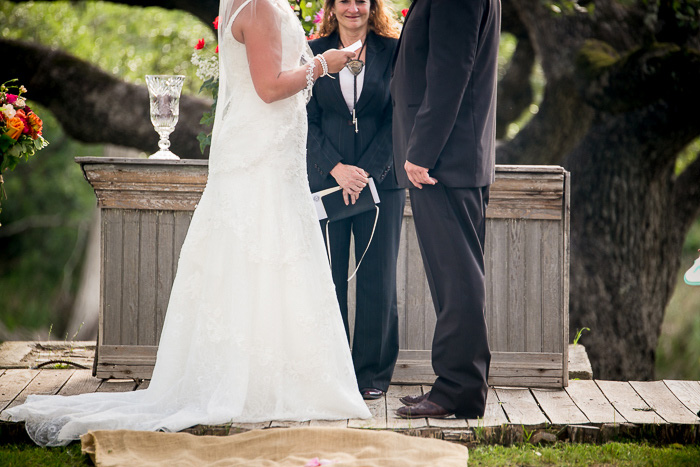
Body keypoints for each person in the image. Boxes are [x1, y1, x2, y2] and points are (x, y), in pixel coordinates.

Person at [1, 0, 371, 446]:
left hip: (265, 147)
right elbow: (270, 88)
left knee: (263, 252)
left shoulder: (248, 4)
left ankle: (264, 375)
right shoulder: (260, 8)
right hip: (263, 152)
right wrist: (322, 64)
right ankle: (256, 382)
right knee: (263, 249)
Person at [390, 0, 501, 419]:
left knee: (457, 281)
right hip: (449, 160)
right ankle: (456, 384)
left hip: (443, 162)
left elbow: (451, 70)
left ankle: (459, 389)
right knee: (453, 280)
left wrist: (422, 151)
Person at [306, 0, 402, 401]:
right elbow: (299, 119)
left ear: (373, 6)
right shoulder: (311, 52)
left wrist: (364, 174)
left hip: (381, 181)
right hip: (325, 182)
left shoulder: (393, 51)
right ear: (331, 7)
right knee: (326, 280)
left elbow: (401, 114)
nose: (353, 7)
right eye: (344, 0)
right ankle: (332, 371)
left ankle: (371, 375)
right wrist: (336, 169)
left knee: (377, 278)